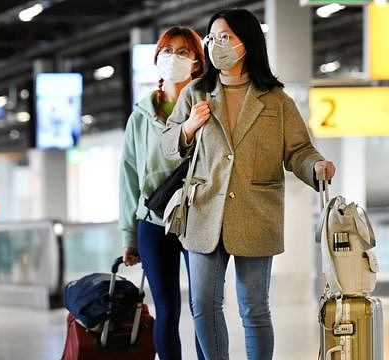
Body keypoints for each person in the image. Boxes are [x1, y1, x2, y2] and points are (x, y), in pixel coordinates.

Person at [160, 9, 336, 360]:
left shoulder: (276, 100)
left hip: (257, 213)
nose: (215, 46)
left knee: (254, 309)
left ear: (247, 43)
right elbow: (167, 145)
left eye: (224, 37)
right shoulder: (196, 93)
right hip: (205, 211)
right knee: (203, 306)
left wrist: (316, 166)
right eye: (212, 38)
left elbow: (299, 150)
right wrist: (188, 128)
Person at [119, 26, 206, 360]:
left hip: (200, 220)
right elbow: (128, 175)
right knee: (166, 309)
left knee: (204, 308)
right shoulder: (141, 115)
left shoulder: (208, 107)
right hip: (153, 221)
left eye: (184, 52)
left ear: (197, 63)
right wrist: (129, 236)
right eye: (168, 51)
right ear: (157, 59)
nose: (174, 58)